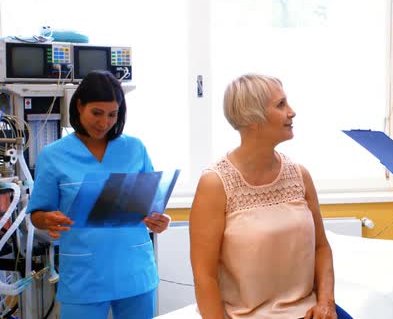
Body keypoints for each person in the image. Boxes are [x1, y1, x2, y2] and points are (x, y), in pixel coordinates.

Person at [189, 74, 352, 319]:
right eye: (281, 105)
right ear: (252, 117)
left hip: (309, 311)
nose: (292, 112)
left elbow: (321, 247)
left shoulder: (300, 175)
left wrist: (326, 302)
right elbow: (205, 275)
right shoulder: (215, 183)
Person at [27, 70, 171, 319]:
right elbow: (38, 214)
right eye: (97, 113)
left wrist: (160, 220)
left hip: (134, 270)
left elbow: (151, 205)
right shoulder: (53, 156)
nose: (104, 123)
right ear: (80, 106)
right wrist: (47, 219)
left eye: (112, 114)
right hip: (84, 275)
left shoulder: (135, 149)